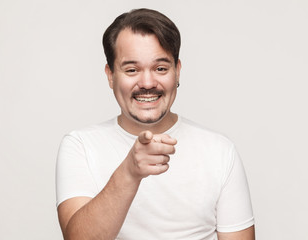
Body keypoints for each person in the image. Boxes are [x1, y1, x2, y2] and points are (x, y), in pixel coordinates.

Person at [56, 8, 255, 240]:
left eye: (160, 68)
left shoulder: (221, 151)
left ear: (177, 72)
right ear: (110, 75)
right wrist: (129, 172)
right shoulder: (80, 146)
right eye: (132, 70)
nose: (148, 82)